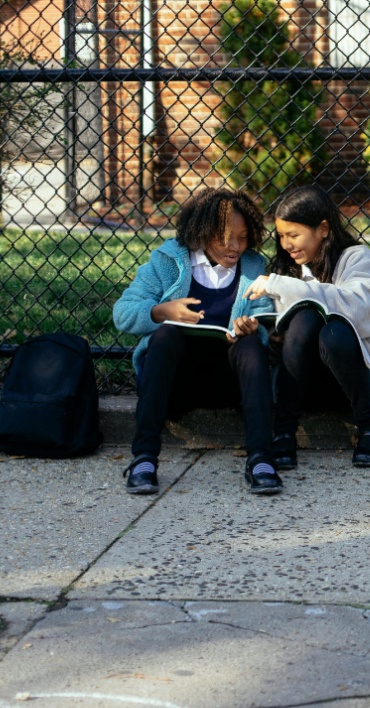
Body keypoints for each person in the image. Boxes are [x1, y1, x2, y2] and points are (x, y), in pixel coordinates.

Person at [113, 187, 281, 495]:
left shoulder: (253, 267)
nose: (235, 247)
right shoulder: (168, 261)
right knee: (165, 335)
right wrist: (161, 311)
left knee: (250, 345)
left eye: (243, 238)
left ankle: (261, 459)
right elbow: (122, 313)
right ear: (201, 233)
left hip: (230, 385)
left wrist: (251, 327)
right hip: (176, 383)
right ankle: (144, 459)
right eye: (225, 237)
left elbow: (263, 315)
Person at [244, 185, 370, 469]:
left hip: (357, 382)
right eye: (281, 236)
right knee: (304, 318)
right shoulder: (285, 269)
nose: (286, 245)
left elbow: (354, 305)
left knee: (334, 330)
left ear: (324, 229)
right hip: (304, 385)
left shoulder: (357, 258)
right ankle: (283, 433)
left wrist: (284, 287)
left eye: (293, 235)